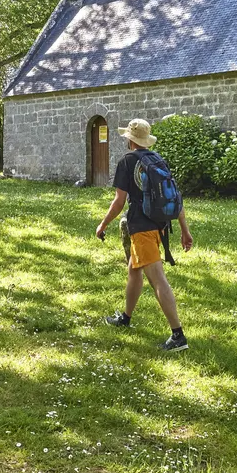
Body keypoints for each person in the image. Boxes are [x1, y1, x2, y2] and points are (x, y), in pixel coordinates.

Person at [95, 118, 193, 351]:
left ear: (130, 140)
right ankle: (126, 318)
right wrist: (184, 230)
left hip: (141, 227)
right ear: (146, 140)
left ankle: (178, 335)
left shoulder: (127, 162)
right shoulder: (158, 159)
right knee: (134, 269)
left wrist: (102, 224)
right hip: (159, 224)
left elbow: (119, 201)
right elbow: (175, 197)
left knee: (157, 279)